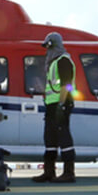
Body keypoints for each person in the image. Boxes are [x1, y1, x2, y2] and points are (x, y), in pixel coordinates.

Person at [33, 32, 77, 183]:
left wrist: (61, 104)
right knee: (49, 137)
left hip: (61, 104)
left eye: (48, 46)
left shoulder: (63, 61)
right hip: (52, 105)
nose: (46, 49)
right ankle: (49, 172)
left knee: (63, 137)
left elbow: (67, 85)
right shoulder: (53, 63)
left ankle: (69, 172)